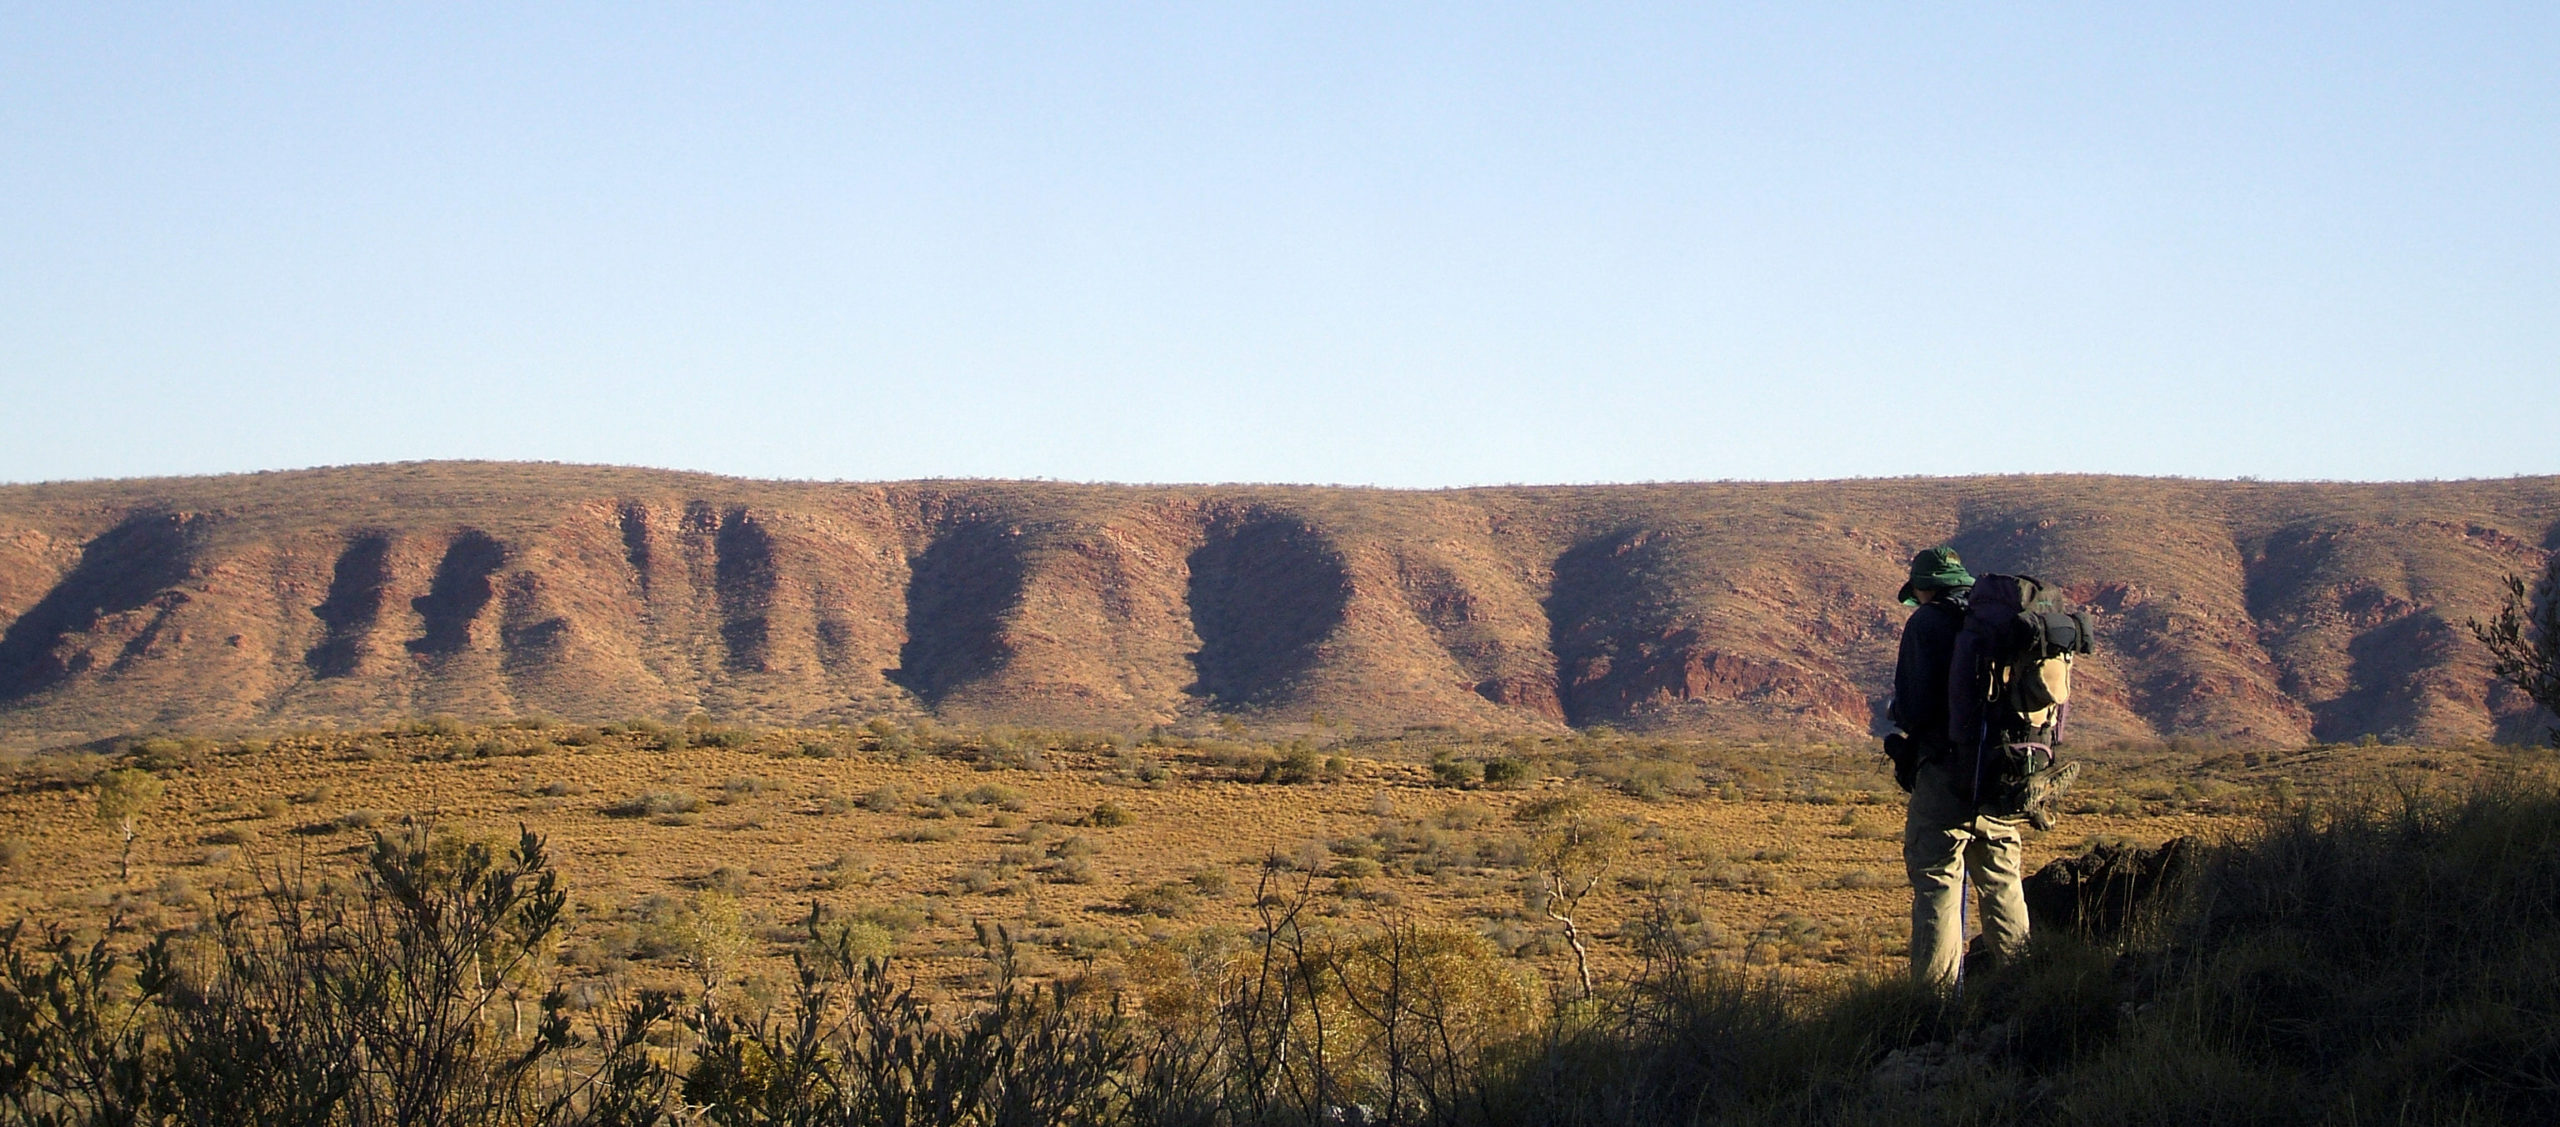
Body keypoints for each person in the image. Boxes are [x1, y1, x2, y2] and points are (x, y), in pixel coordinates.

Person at [1886, 547, 2028, 989]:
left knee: (1937, 882)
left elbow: (1913, 708)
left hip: (1945, 775)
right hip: (2001, 772)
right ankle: (2024, 989)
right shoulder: (1995, 620)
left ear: (1923, 588)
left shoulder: (1927, 623)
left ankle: (1936, 1003)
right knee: (2002, 880)